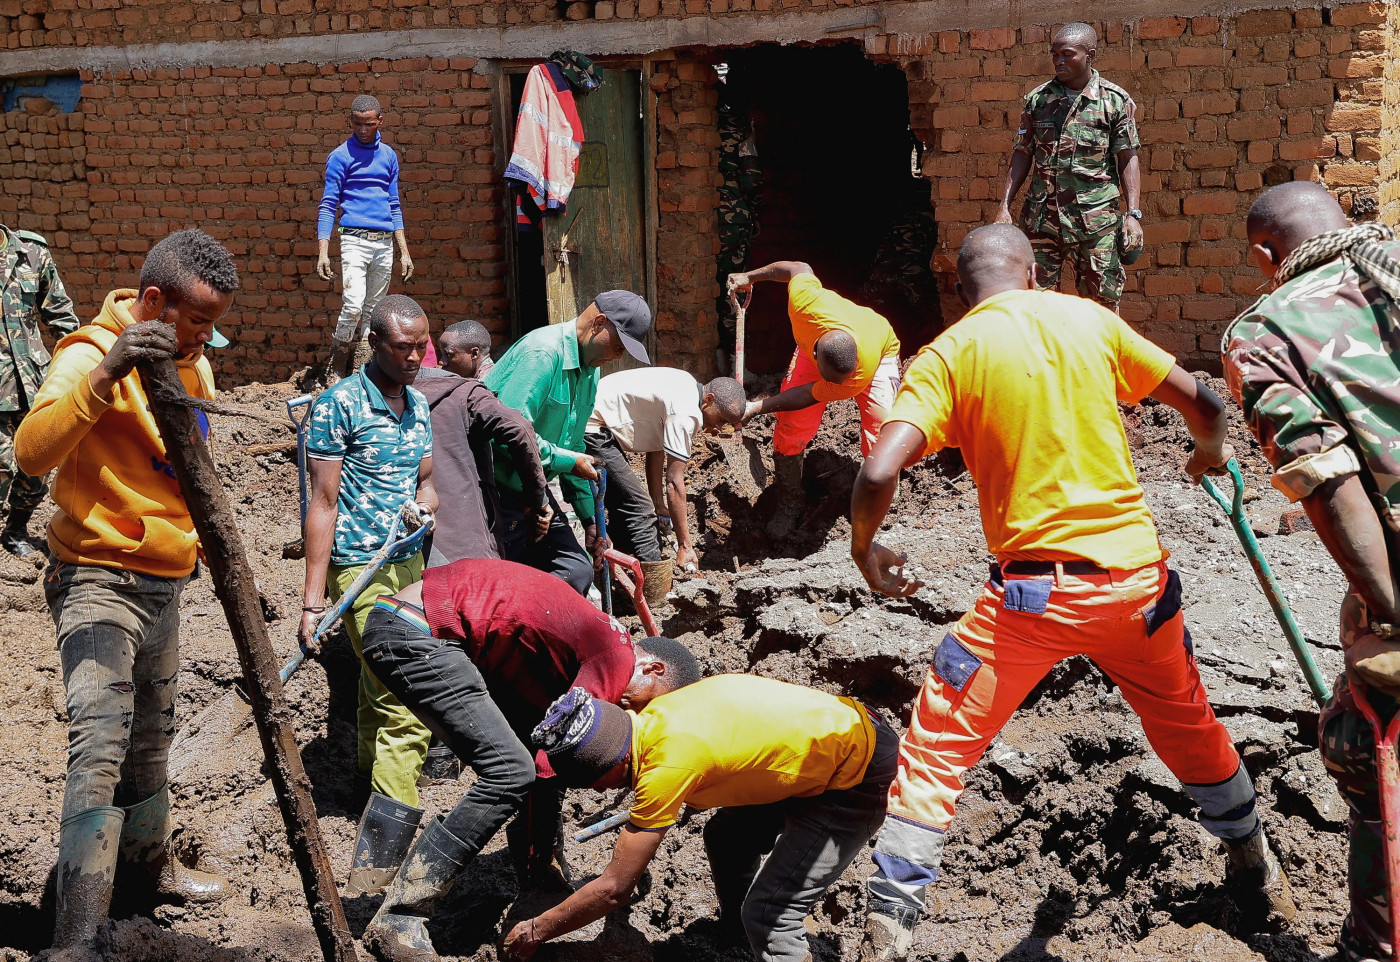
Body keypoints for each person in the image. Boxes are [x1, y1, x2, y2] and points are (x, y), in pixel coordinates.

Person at [848, 224, 1295, 961]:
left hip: (1033, 603)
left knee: (938, 745)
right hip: (1139, 590)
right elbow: (1209, 408)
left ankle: (890, 928)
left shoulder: (951, 354)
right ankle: (1253, 862)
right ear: (1031, 274)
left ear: (964, 291)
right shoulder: (1087, 318)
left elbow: (876, 472)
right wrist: (1208, 456)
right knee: (1185, 720)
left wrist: (866, 548)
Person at [14, 229, 239, 949]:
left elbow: (192, 469)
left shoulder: (193, 365)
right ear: (152, 303)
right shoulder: (86, 354)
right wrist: (104, 379)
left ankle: (148, 874)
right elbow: (31, 449)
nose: (207, 336)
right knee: (100, 744)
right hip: (96, 577)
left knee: (151, 741)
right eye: (197, 321)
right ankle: (77, 931)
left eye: (213, 322)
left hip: (167, 578)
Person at [354, 558, 700, 962]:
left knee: (519, 758)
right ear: (652, 668)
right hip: (420, 631)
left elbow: (542, 750)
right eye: (646, 706)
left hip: (416, 625)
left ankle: (534, 874)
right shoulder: (617, 657)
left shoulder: (584, 648)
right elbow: (552, 762)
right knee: (510, 771)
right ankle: (401, 914)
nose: (633, 716)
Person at [1223, 181, 1400, 962]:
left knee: (1366, 745)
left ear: (1266, 255)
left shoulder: (1267, 331)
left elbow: (1327, 478)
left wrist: (1389, 612)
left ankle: (1376, 943)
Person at [500, 674, 899, 962]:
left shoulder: (666, 769)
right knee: (727, 837)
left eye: (594, 782)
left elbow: (614, 889)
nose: (600, 793)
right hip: (826, 745)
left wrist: (537, 929)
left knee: (769, 915)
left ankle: (758, 933)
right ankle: (739, 936)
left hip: (855, 775)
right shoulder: (656, 714)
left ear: (615, 760)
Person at [300, 293, 437, 858]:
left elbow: (427, 479)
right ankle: (389, 845)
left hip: (408, 561)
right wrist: (311, 601)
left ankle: (365, 791)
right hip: (359, 567)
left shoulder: (419, 404)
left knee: (375, 684)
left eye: (421, 346)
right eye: (403, 347)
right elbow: (323, 503)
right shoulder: (339, 405)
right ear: (375, 344)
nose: (415, 357)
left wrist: (424, 505)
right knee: (407, 702)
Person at [483, 290, 652, 596]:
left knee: (576, 569)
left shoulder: (590, 371)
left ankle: (537, 620)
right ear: (599, 322)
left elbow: (574, 447)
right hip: (493, 488)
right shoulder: (543, 355)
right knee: (506, 575)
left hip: (532, 487)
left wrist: (589, 521)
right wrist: (569, 462)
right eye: (616, 347)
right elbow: (509, 436)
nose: (617, 357)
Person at [727, 261, 901, 524]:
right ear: (817, 356)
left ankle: (879, 499)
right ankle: (789, 500)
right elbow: (797, 267)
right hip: (819, 349)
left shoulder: (856, 375)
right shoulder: (806, 302)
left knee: (881, 429)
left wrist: (758, 407)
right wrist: (748, 277)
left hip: (878, 351)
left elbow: (808, 394)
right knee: (791, 427)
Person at [994, 22, 1142, 311]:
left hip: (1095, 222)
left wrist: (1133, 213)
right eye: (1055, 55)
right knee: (1033, 302)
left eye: (1067, 54)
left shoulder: (1114, 101)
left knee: (1100, 306)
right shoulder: (1038, 100)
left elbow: (1127, 157)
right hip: (1042, 220)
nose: (1059, 61)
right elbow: (1022, 153)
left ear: (1090, 55)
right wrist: (1004, 205)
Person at [585, 368, 746, 584]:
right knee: (641, 510)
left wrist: (659, 504)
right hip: (592, 426)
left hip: (593, 417)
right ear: (709, 400)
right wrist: (685, 546)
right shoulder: (686, 414)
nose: (718, 428)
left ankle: (621, 582)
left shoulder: (687, 385)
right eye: (721, 419)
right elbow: (674, 483)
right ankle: (655, 594)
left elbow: (656, 448)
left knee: (628, 504)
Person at [414, 320, 548, 567]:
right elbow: (518, 427)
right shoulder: (467, 393)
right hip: (467, 540)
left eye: (449, 354)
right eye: (441, 354)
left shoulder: (396, 395)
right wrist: (537, 496)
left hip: (414, 533)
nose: (443, 361)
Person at [316, 94, 414, 382]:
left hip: (383, 241)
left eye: (368, 124)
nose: (362, 130)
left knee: (374, 309)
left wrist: (403, 251)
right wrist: (323, 251)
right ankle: (336, 366)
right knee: (354, 303)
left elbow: (394, 204)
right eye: (357, 124)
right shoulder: (340, 156)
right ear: (351, 122)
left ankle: (362, 368)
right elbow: (328, 204)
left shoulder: (388, 156)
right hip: (354, 240)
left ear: (379, 122)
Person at [0, 221, 79, 557]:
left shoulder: (31, 252)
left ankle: (16, 530)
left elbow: (61, 316)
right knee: (2, 465)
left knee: (38, 468)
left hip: (34, 385)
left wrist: (77, 361)